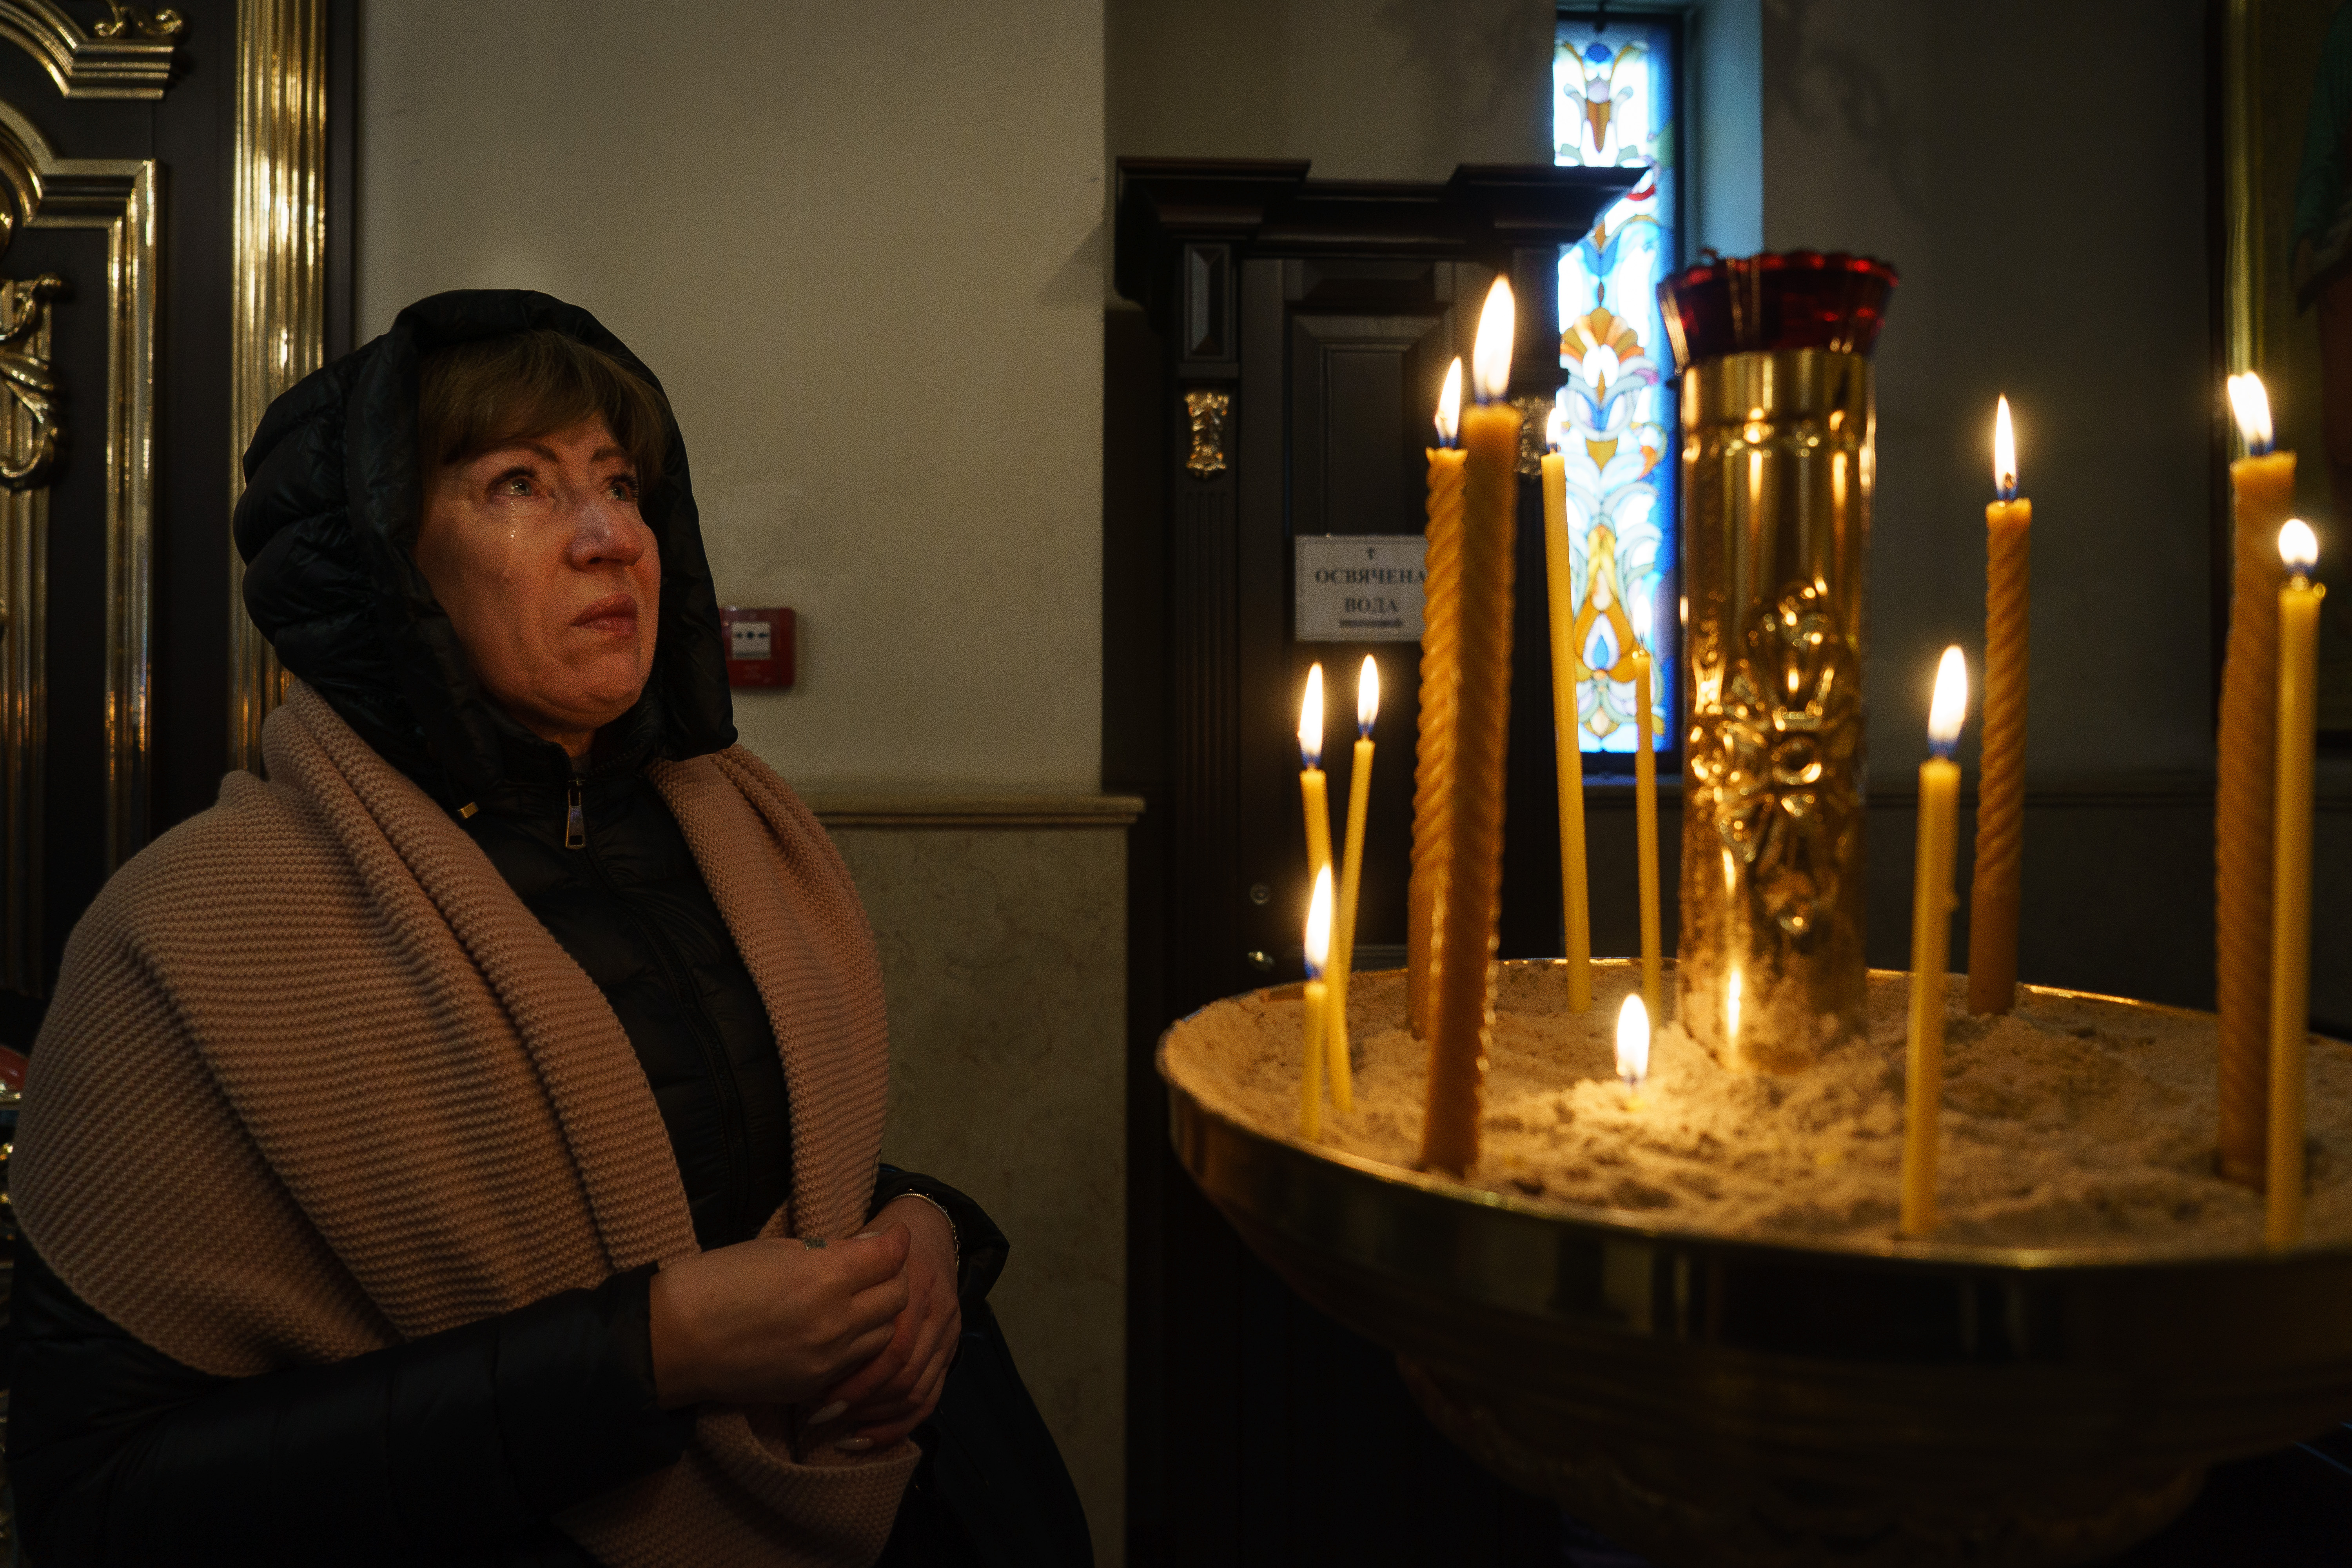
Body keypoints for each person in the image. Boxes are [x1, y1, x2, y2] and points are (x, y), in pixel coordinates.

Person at [5, 290, 1091, 1566]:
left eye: (621, 484)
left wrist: (928, 1235)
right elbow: (110, 1495)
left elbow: (723, 1175)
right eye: (520, 484)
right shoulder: (197, 935)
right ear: (386, 560)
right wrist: (647, 1356)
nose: (609, 538)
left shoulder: (739, 832)